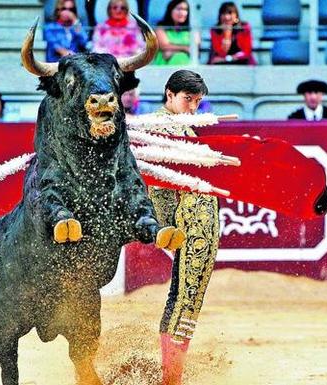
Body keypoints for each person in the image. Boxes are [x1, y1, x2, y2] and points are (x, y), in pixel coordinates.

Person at [143, 70, 219, 385]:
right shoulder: (159, 126)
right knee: (187, 296)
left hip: (192, 221)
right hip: (185, 223)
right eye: (188, 100)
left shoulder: (182, 125)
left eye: (198, 102)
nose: (192, 108)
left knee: (183, 295)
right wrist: (166, 230)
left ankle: (170, 372)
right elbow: (159, 185)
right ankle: (171, 376)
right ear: (169, 94)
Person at [153, 0, 198, 65]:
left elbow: (194, 48)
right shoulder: (161, 27)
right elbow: (164, 46)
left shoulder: (192, 29)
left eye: (185, 10)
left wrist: (171, 51)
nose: (182, 13)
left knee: (181, 57)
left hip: (188, 64)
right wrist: (185, 48)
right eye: (179, 9)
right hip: (164, 64)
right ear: (170, 10)